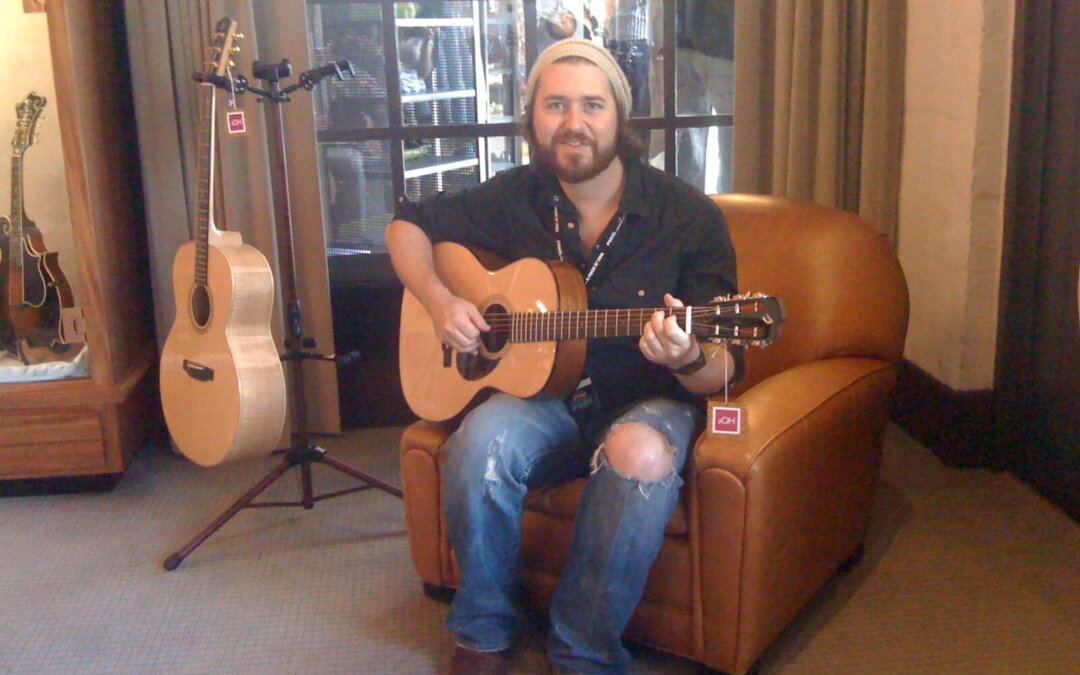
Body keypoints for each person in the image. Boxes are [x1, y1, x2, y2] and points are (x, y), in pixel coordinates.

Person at [385, 38, 742, 674]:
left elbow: (725, 368)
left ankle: (583, 653)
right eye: (555, 105)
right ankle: (482, 630)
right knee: (477, 442)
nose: (574, 123)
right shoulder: (516, 195)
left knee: (639, 454)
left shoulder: (688, 216)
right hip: (542, 398)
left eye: (592, 105)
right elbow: (406, 224)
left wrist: (687, 356)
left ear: (619, 116)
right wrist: (440, 301)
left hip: (645, 401)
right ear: (532, 118)